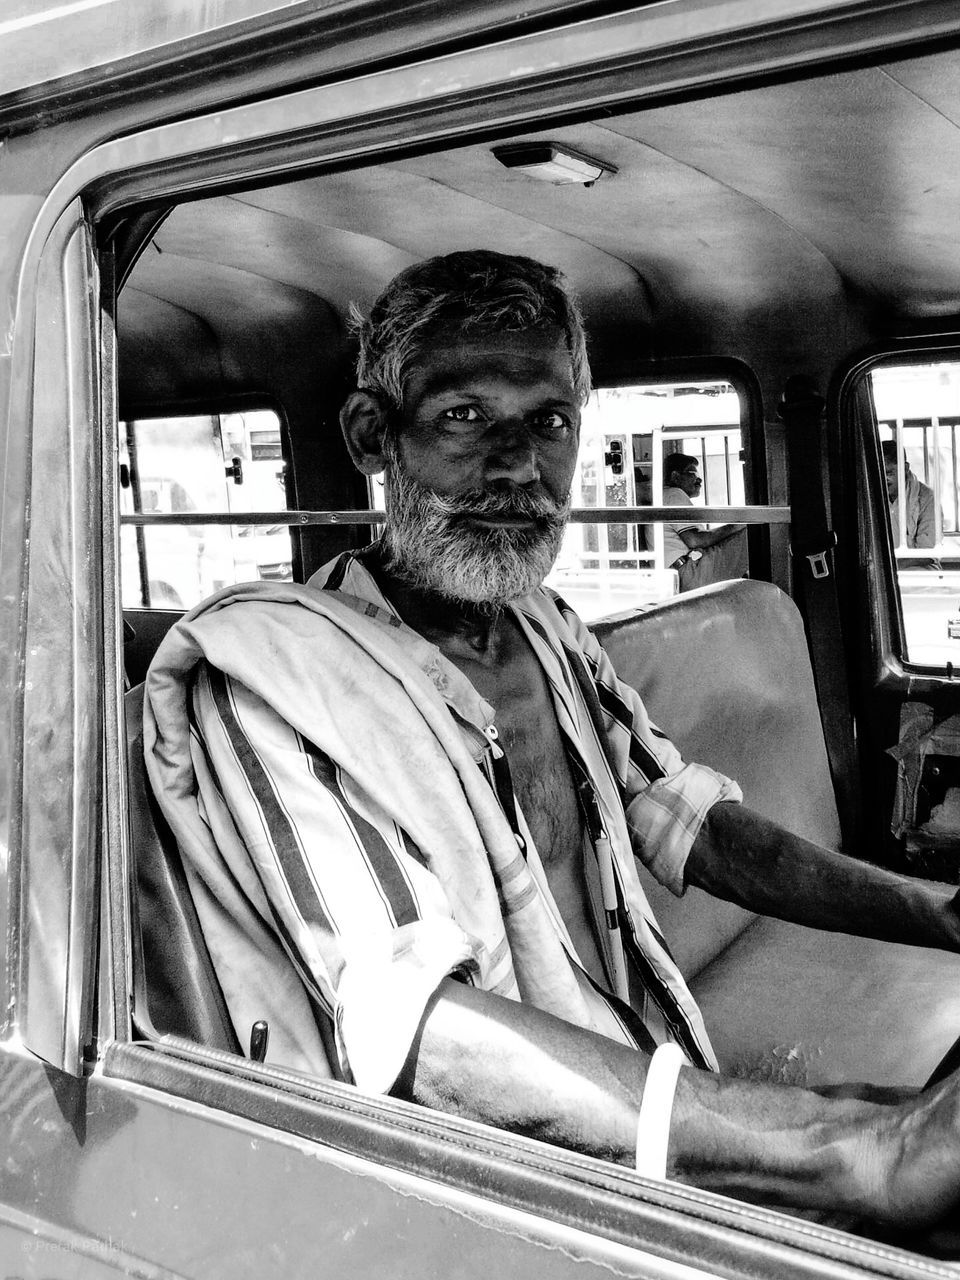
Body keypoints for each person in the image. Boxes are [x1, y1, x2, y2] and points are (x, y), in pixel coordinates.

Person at [144, 250, 960, 1234]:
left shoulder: (546, 626)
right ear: (373, 434)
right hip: (478, 1200)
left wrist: (939, 912)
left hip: (637, 1115)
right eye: (464, 415)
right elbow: (416, 1035)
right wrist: (848, 1147)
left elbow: (699, 826)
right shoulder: (273, 681)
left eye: (550, 421)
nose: (519, 465)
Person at [661, 453, 748, 590]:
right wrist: (737, 525)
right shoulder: (674, 494)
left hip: (681, 573)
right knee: (751, 531)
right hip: (689, 573)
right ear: (675, 476)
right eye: (692, 473)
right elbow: (695, 540)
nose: (699, 479)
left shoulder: (666, 496)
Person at [882, 439, 936, 549]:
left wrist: (893, 564)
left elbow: (927, 552)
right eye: (880, 474)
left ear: (905, 468)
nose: (884, 479)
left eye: (889, 473)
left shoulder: (927, 497)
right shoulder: (870, 498)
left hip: (919, 566)